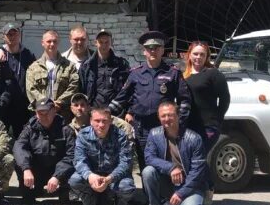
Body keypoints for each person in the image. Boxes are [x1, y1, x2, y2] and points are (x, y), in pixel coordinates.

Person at [110, 31, 191, 172]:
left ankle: (165, 193)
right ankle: (149, 194)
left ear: (162, 50)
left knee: (166, 162)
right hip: (142, 128)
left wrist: (180, 122)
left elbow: (185, 100)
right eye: (149, 48)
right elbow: (121, 98)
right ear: (144, 51)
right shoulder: (135, 74)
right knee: (146, 165)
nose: (153, 51)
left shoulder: (173, 73)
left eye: (157, 47)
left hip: (164, 127)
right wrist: (104, 114)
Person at [142, 101, 208, 205]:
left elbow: (197, 172)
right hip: (168, 181)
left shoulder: (194, 138)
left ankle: (180, 204)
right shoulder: (154, 134)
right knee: (148, 171)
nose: (166, 119)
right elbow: (149, 157)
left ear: (178, 116)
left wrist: (181, 194)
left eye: (170, 115)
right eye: (163, 116)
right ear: (159, 118)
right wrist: (171, 168)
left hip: (189, 183)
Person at [183, 41, 230, 205]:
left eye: (202, 54)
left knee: (198, 158)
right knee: (191, 159)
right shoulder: (185, 75)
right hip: (189, 126)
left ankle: (207, 188)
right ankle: (200, 189)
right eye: (195, 54)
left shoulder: (213, 74)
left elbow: (224, 99)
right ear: (189, 55)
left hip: (208, 126)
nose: (198, 57)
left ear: (207, 57)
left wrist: (217, 119)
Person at [69, 107, 135, 205]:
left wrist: (110, 178)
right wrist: (90, 176)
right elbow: (79, 160)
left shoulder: (120, 135)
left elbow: (125, 162)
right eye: (97, 121)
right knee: (74, 180)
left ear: (110, 121)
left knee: (127, 186)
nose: (101, 125)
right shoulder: (83, 135)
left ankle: (121, 204)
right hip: (93, 176)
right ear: (90, 121)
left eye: (104, 121)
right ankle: (90, 202)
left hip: (113, 176)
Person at [13, 98, 76, 205]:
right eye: (40, 113)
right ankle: (29, 193)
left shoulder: (66, 130)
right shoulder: (29, 128)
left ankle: (65, 193)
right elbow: (19, 147)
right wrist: (26, 169)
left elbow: (71, 155)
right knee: (18, 162)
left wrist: (57, 176)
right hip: (37, 169)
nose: (43, 116)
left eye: (46, 113)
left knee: (72, 168)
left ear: (54, 111)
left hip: (57, 170)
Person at [25, 30, 79, 122]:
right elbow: (31, 89)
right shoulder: (33, 67)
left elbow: (73, 86)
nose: (52, 44)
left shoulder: (69, 66)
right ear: (42, 43)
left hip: (62, 113)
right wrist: (47, 104)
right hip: (41, 113)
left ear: (58, 43)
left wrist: (59, 102)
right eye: (49, 41)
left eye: (54, 41)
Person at [0, 23, 36, 135]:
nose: (12, 37)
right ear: (3, 37)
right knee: (0, 137)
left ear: (19, 35)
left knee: (22, 137)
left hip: (22, 105)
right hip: (3, 105)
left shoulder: (28, 55)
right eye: (9, 35)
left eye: (14, 34)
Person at [78, 29, 130, 111]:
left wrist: (129, 111)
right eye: (101, 42)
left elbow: (128, 89)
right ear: (96, 43)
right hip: (93, 113)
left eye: (107, 42)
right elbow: (81, 91)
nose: (104, 45)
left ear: (111, 43)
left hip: (117, 112)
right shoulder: (87, 66)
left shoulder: (121, 65)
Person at [66, 93, 134, 141]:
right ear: (71, 108)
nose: (79, 108)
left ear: (88, 107)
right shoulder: (70, 129)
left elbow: (125, 126)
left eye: (82, 105)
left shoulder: (99, 119)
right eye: (76, 105)